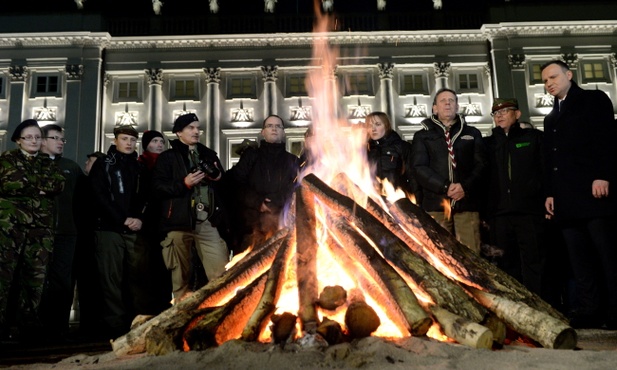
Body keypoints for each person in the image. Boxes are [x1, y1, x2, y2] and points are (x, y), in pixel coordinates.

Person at [541, 60, 617, 329]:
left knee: (606, 256)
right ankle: (590, 309)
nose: (549, 83)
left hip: (594, 194)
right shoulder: (550, 118)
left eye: (553, 77)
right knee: (580, 261)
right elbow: (551, 160)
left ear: (569, 75)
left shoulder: (593, 100)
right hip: (566, 200)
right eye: (545, 80)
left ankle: (614, 311)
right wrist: (550, 194)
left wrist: (602, 174)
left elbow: (606, 138)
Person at [152, 113, 229, 304]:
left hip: (207, 220)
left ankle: (219, 315)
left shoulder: (209, 154)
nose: (196, 131)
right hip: (178, 221)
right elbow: (156, 188)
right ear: (179, 133)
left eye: (197, 128)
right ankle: (180, 319)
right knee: (180, 279)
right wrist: (183, 183)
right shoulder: (168, 157)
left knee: (221, 273)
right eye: (190, 128)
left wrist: (218, 177)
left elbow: (227, 184)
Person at [0, 119, 65, 341]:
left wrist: (29, 184)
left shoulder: (48, 163)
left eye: (38, 137)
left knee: (35, 278)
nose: (34, 140)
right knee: (4, 277)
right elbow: (9, 184)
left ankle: (26, 326)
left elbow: (57, 184)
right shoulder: (7, 159)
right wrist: (37, 187)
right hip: (10, 228)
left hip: (40, 230)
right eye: (29, 137)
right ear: (18, 140)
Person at [482, 98, 546, 296]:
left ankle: (542, 304)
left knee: (535, 260)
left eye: (505, 111)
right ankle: (516, 305)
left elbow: (545, 171)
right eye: (496, 113)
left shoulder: (533, 137)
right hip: (499, 214)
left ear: (517, 114)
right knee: (505, 262)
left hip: (529, 211)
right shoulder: (488, 144)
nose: (499, 115)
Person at [411, 88, 486, 253]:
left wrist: (464, 187)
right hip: (436, 204)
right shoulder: (422, 136)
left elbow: (481, 165)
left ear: (457, 107)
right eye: (443, 100)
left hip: (466, 204)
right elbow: (419, 168)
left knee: (471, 252)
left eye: (451, 101)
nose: (447, 103)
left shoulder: (472, 133)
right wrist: (445, 187)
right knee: (439, 253)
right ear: (435, 108)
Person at [89, 125, 146, 338]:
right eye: (124, 139)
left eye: (132, 140)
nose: (129, 143)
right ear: (115, 140)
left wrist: (139, 218)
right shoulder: (104, 164)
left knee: (136, 277)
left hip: (134, 229)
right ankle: (114, 325)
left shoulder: (139, 167)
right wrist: (122, 219)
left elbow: (146, 196)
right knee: (110, 278)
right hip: (109, 228)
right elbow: (99, 196)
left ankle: (136, 322)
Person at [36, 124, 84, 340]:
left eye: (62, 139)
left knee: (63, 280)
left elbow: (81, 201)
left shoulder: (71, 167)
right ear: (42, 140)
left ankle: (59, 326)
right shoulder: (33, 164)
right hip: (37, 233)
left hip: (66, 232)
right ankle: (33, 325)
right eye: (55, 138)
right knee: (36, 278)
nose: (60, 142)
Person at [233, 114, 300, 252]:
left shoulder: (292, 160)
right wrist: (258, 202)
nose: (274, 129)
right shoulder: (251, 156)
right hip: (251, 225)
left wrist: (275, 201)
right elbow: (237, 184)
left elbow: (295, 187)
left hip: (282, 222)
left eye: (278, 126)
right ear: (263, 132)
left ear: (283, 132)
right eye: (269, 126)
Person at [137, 130, 172, 315]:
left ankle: (163, 305)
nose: (159, 144)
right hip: (146, 222)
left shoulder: (168, 164)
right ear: (146, 144)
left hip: (165, 220)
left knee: (165, 265)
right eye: (155, 141)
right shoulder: (140, 165)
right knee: (147, 266)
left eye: (161, 141)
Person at [73, 151, 107, 339]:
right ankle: (87, 325)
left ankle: (94, 325)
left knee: (98, 282)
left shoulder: (99, 184)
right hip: (84, 239)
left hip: (97, 237)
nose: (87, 163)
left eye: (91, 161)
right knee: (86, 283)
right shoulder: (82, 182)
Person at [365, 112, 415, 196]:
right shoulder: (366, 149)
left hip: (397, 196)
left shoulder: (402, 147)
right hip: (374, 198)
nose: (373, 129)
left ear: (386, 126)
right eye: (370, 125)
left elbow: (412, 175)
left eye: (377, 124)